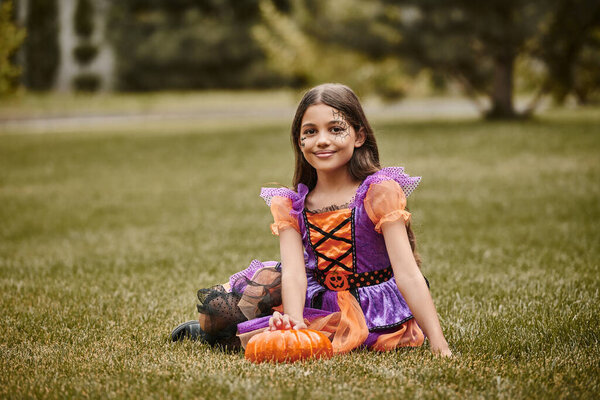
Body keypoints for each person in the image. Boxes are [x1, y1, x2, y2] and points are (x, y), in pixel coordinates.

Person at [171, 83, 451, 357]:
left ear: (359, 136)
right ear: (299, 141)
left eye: (336, 129)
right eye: (310, 132)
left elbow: (408, 274)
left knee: (334, 337)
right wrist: (294, 321)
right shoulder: (292, 205)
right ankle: (212, 330)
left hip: (375, 308)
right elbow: (294, 273)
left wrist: (439, 345)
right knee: (223, 314)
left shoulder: (378, 192)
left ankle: (231, 331)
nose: (322, 140)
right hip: (321, 303)